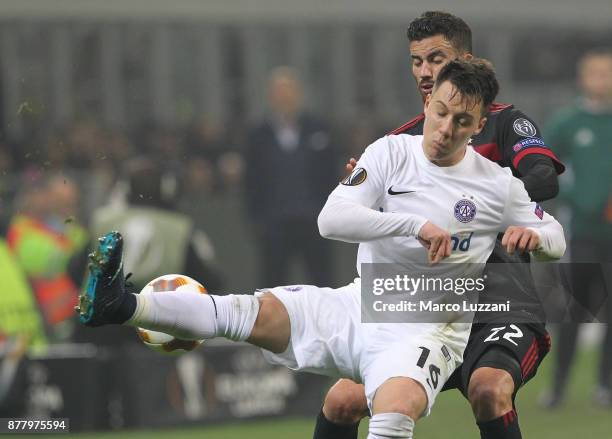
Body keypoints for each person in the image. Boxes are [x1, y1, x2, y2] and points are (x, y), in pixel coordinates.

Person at [77, 59, 566, 439]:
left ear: (479, 124)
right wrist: (414, 225)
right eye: (440, 113)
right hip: (359, 305)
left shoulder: (497, 185)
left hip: (427, 332)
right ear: (430, 102)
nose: (444, 129)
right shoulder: (389, 152)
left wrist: (535, 239)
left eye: (461, 121)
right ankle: (121, 304)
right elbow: (332, 219)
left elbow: (554, 237)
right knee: (251, 313)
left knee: (393, 411)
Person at [313, 11, 566, 439]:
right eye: (417, 61)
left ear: (464, 60)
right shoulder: (402, 144)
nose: (427, 71)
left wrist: (475, 188)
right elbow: (349, 213)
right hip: (422, 311)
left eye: (437, 58)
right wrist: (369, 187)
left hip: (497, 305)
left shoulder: (503, 121)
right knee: (341, 401)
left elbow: (542, 176)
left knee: (489, 391)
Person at [541, 49, 612, 408]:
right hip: (581, 233)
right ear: (584, 78)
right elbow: (544, 167)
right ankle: (557, 388)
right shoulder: (568, 123)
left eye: (607, 73)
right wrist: (579, 197)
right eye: (595, 73)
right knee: (575, 308)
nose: (602, 80)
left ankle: (606, 387)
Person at [244, 66, 339, 287]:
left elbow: (330, 173)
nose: (284, 97)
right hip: (275, 222)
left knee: (323, 283)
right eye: (279, 91)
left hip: (314, 220)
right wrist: (257, 219)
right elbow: (251, 181)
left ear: (298, 94)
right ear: (271, 96)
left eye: (289, 91)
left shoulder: (319, 129)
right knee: (273, 285)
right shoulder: (258, 135)